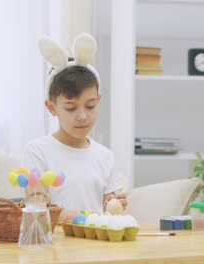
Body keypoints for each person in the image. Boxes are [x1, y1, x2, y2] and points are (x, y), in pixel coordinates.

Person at [21, 33, 127, 216]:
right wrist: (87, 217)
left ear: (98, 101)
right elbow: (38, 209)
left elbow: (110, 211)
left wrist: (115, 204)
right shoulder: (37, 151)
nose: (82, 116)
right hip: (56, 242)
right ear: (51, 107)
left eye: (90, 105)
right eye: (70, 108)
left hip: (96, 241)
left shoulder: (105, 157)